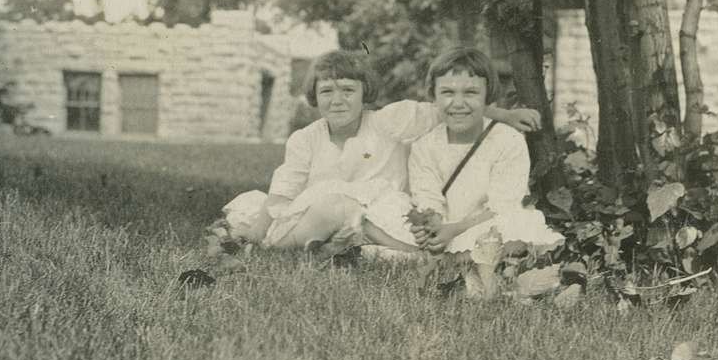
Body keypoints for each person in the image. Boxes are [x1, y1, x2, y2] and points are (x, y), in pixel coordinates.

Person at [221, 49, 540, 251]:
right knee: (330, 207)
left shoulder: (390, 121)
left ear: (365, 94)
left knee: (361, 219)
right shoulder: (305, 139)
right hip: (319, 212)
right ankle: (272, 246)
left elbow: (445, 107)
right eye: (327, 92)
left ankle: (343, 245)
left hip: (382, 212)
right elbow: (283, 190)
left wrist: (506, 116)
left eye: (348, 90)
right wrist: (258, 235)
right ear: (314, 97)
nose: (338, 100)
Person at [364, 47, 563, 255]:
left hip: (484, 222)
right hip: (445, 226)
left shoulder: (507, 139)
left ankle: (446, 258)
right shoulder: (425, 145)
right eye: (447, 93)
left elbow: (504, 204)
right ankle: (447, 255)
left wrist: (456, 230)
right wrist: (431, 225)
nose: (458, 104)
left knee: (518, 225)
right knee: (387, 222)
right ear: (434, 97)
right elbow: (428, 196)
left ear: (488, 97)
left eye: (471, 92)